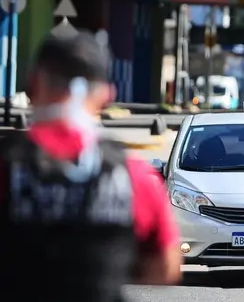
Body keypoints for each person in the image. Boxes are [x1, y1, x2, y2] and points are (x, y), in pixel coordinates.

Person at [0, 34, 182, 301]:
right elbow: (166, 267)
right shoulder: (133, 175)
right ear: (107, 95)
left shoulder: (8, 168)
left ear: (33, 84)